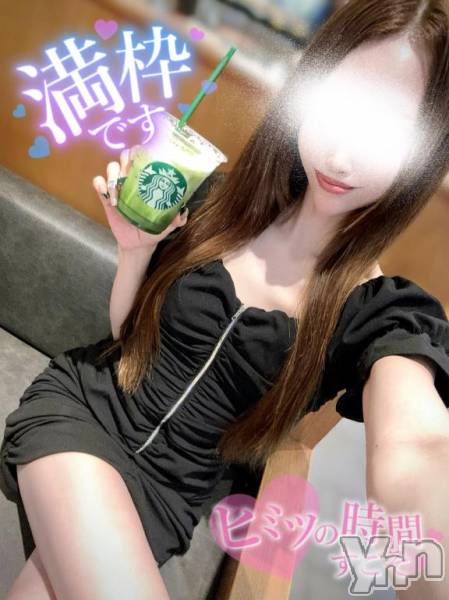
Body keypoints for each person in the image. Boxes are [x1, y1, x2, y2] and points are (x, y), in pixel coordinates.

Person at [2, 0, 449, 598]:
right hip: (85, 414)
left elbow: (418, 443)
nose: (343, 155)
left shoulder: (381, 312)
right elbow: (129, 338)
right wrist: (137, 251)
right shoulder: (215, 200)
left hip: (167, 495)